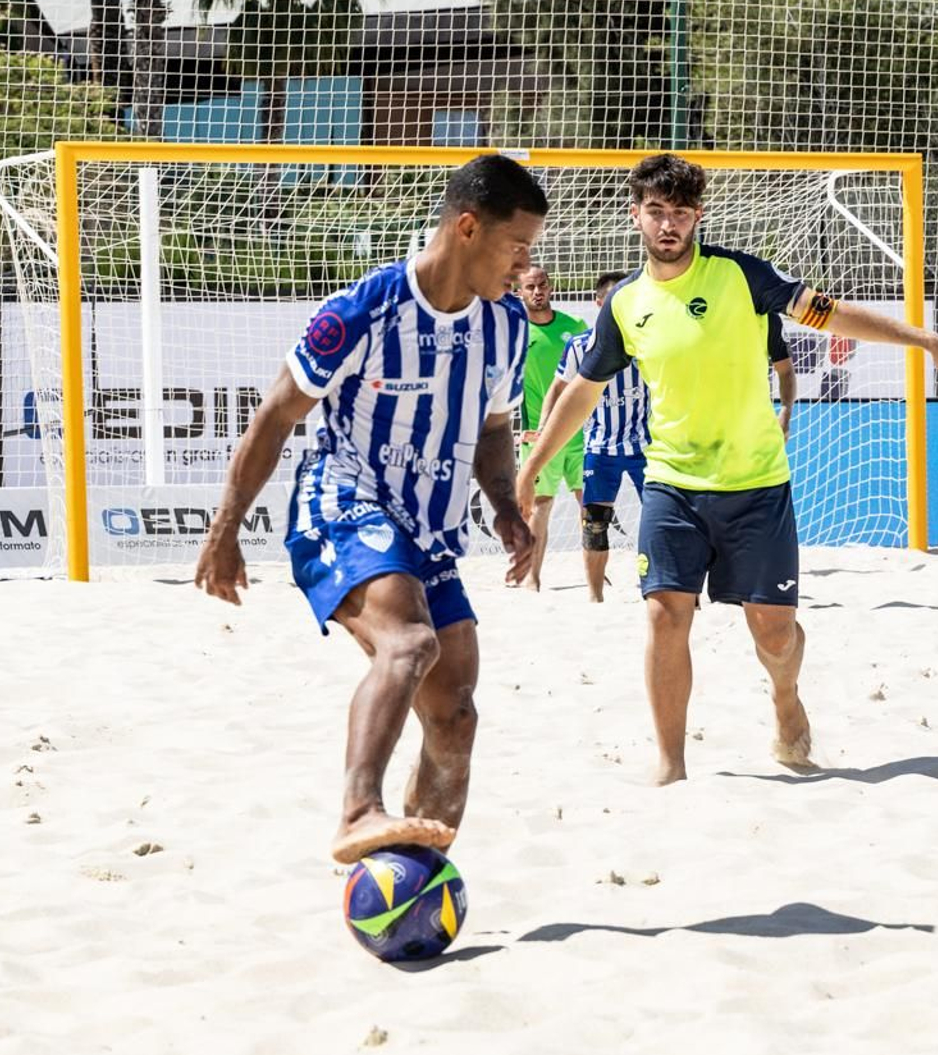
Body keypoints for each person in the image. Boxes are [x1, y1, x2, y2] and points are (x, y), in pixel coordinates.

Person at [517, 153, 938, 784]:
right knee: (663, 612)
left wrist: (925, 339)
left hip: (756, 486)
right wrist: (532, 465)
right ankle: (671, 764)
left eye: (680, 213)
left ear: (697, 217)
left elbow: (831, 311)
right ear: (636, 217)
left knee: (773, 636)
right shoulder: (626, 304)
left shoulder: (742, 276)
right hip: (673, 486)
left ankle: (786, 699)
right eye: (655, 212)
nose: (668, 225)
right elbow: (582, 389)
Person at [195, 154, 545, 862]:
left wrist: (505, 507)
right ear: (469, 228)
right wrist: (225, 529)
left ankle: (413, 873)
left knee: (456, 717)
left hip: (432, 531)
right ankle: (358, 812)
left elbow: (494, 425)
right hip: (343, 502)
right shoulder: (364, 308)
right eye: (518, 247)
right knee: (410, 645)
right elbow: (275, 415)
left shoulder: (506, 325)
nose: (524, 266)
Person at [538, 271, 647, 601]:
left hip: (649, 446)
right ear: (599, 303)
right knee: (594, 523)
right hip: (600, 448)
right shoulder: (579, 346)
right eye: (613, 299)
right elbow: (558, 388)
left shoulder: (648, 341)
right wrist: (544, 428)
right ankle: (595, 597)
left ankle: (661, 589)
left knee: (663, 521)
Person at [513, 264, 587, 591]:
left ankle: (595, 571)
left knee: (592, 504)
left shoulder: (576, 327)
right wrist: (517, 429)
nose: (538, 291)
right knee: (541, 505)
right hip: (540, 436)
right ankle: (532, 576)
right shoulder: (515, 334)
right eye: (530, 287)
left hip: (580, 433)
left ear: (551, 287)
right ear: (519, 293)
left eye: (542, 284)